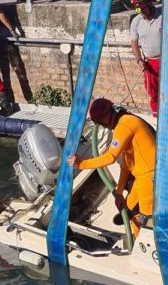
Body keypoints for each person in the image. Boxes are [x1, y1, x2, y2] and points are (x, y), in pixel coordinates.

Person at [67, 98, 156, 237]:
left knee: (147, 221)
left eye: (101, 122)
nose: (104, 126)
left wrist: (81, 164)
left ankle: (152, 249)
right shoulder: (125, 122)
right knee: (129, 209)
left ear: (106, 115)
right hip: (142, 177)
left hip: (150, 177)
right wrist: (119, 192)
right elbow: (126, 165)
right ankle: (138, 241)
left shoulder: (125, 124)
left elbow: (110, 157)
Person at [129, 0, 168, 116]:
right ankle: (157, 118)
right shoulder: (136, 21)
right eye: (137, 9)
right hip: (150, 63)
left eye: (142, 8)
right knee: (154, 94)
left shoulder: (164, 14)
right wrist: (139, 60)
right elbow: (134, 43)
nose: (141, 11)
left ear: (149, 3)